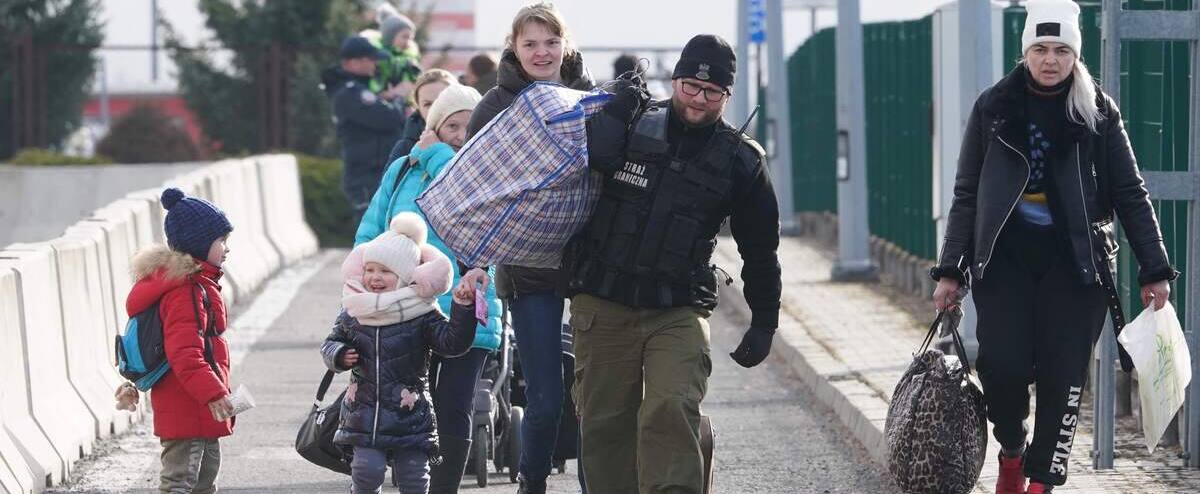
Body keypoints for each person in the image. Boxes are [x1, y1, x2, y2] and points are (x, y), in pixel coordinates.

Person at [929, 1, 1175, 492]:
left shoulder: (1097, 111)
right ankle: (1013, 450)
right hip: (1005, 261)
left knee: (1065, 381)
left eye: (1062, 49)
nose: (1050, 59)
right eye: (1040, 48)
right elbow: (968, 193)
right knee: (1002, 367)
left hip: (1075, 264)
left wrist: (1155, 268)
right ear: (1026, 53)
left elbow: (1130, 192)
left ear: (1075, 55)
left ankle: (1041, 481)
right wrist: (951, 270)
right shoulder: (993, 108)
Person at [555, 33, 782, 494]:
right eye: (690, 87)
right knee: (605, 424)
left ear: (727, 95)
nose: (699, 100)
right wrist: (612, 112)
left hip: (677, 307)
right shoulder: (629, 123)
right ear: (675, 80)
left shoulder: (742, 160)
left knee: (671, 406)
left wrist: (765, 322)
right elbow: (571, 170)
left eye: (712, 92)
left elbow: (760, 249)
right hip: (603, 301)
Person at [453, 3, 594, 493]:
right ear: (513, 47)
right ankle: (531, 482)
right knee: (546, 395)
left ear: (565, 45)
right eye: (530, 43)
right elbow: (470, 191)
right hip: (529, 265)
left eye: (550, 42)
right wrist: (472, 266)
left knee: (597, 394)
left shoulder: (590, 99)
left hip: (592, 264)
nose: (541, 52)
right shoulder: (495, 106)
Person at [356, 84, 501, 494]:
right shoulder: (403, 168)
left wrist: (436, 153)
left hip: (466, 308)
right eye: (451, 125)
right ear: (434, 127)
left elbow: (458, 186)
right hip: (404, 311)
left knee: (454, 405)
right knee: (411, 406)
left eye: (471, 125)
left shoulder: (491, 167)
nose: (461, 133)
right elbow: (371, 229)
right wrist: (359, 279)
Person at [323, 213, 478, 494]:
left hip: (411, 413)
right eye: (369, 270)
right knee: (366, 472)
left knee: (414, 478)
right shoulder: (355, 310)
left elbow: (453, 343)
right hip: (364, 414)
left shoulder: (423, 312)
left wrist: (463, 309)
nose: (374, 278)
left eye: (384, 271)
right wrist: (339, 354)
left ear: (405, 277)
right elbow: (330, 342)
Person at [125, 187, 236, 493]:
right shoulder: (185, 292)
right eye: (221, 241)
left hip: (197, 405)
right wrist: (214, 393)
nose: (226, 249)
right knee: (182, 482)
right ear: (199, 244)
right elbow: (185, 354)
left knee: (203, 479)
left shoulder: (198, 284)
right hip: (190, 405)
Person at [322, 36, 407, 223]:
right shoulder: (350, 92)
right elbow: (389, 120)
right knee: (372, 235)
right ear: (353, 62)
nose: (375, 64)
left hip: (374, 173)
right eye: (370, 59)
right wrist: (398, 101)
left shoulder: (358, 90)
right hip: (367, 176)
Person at [385, 69, 457, 169]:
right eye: (427, 104)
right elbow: (389, 184)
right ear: (418, 107)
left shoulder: (475, 139)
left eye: (442, 100)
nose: (435, 109)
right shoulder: (405, 148)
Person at [374, 12, 422, 98]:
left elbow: (412, 81)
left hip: (402, 104)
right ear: (390, 36)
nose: (408, 42)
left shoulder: (408, 59)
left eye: (410, 38)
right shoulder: (380, 56)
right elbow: (373, 82)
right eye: (404, 37)